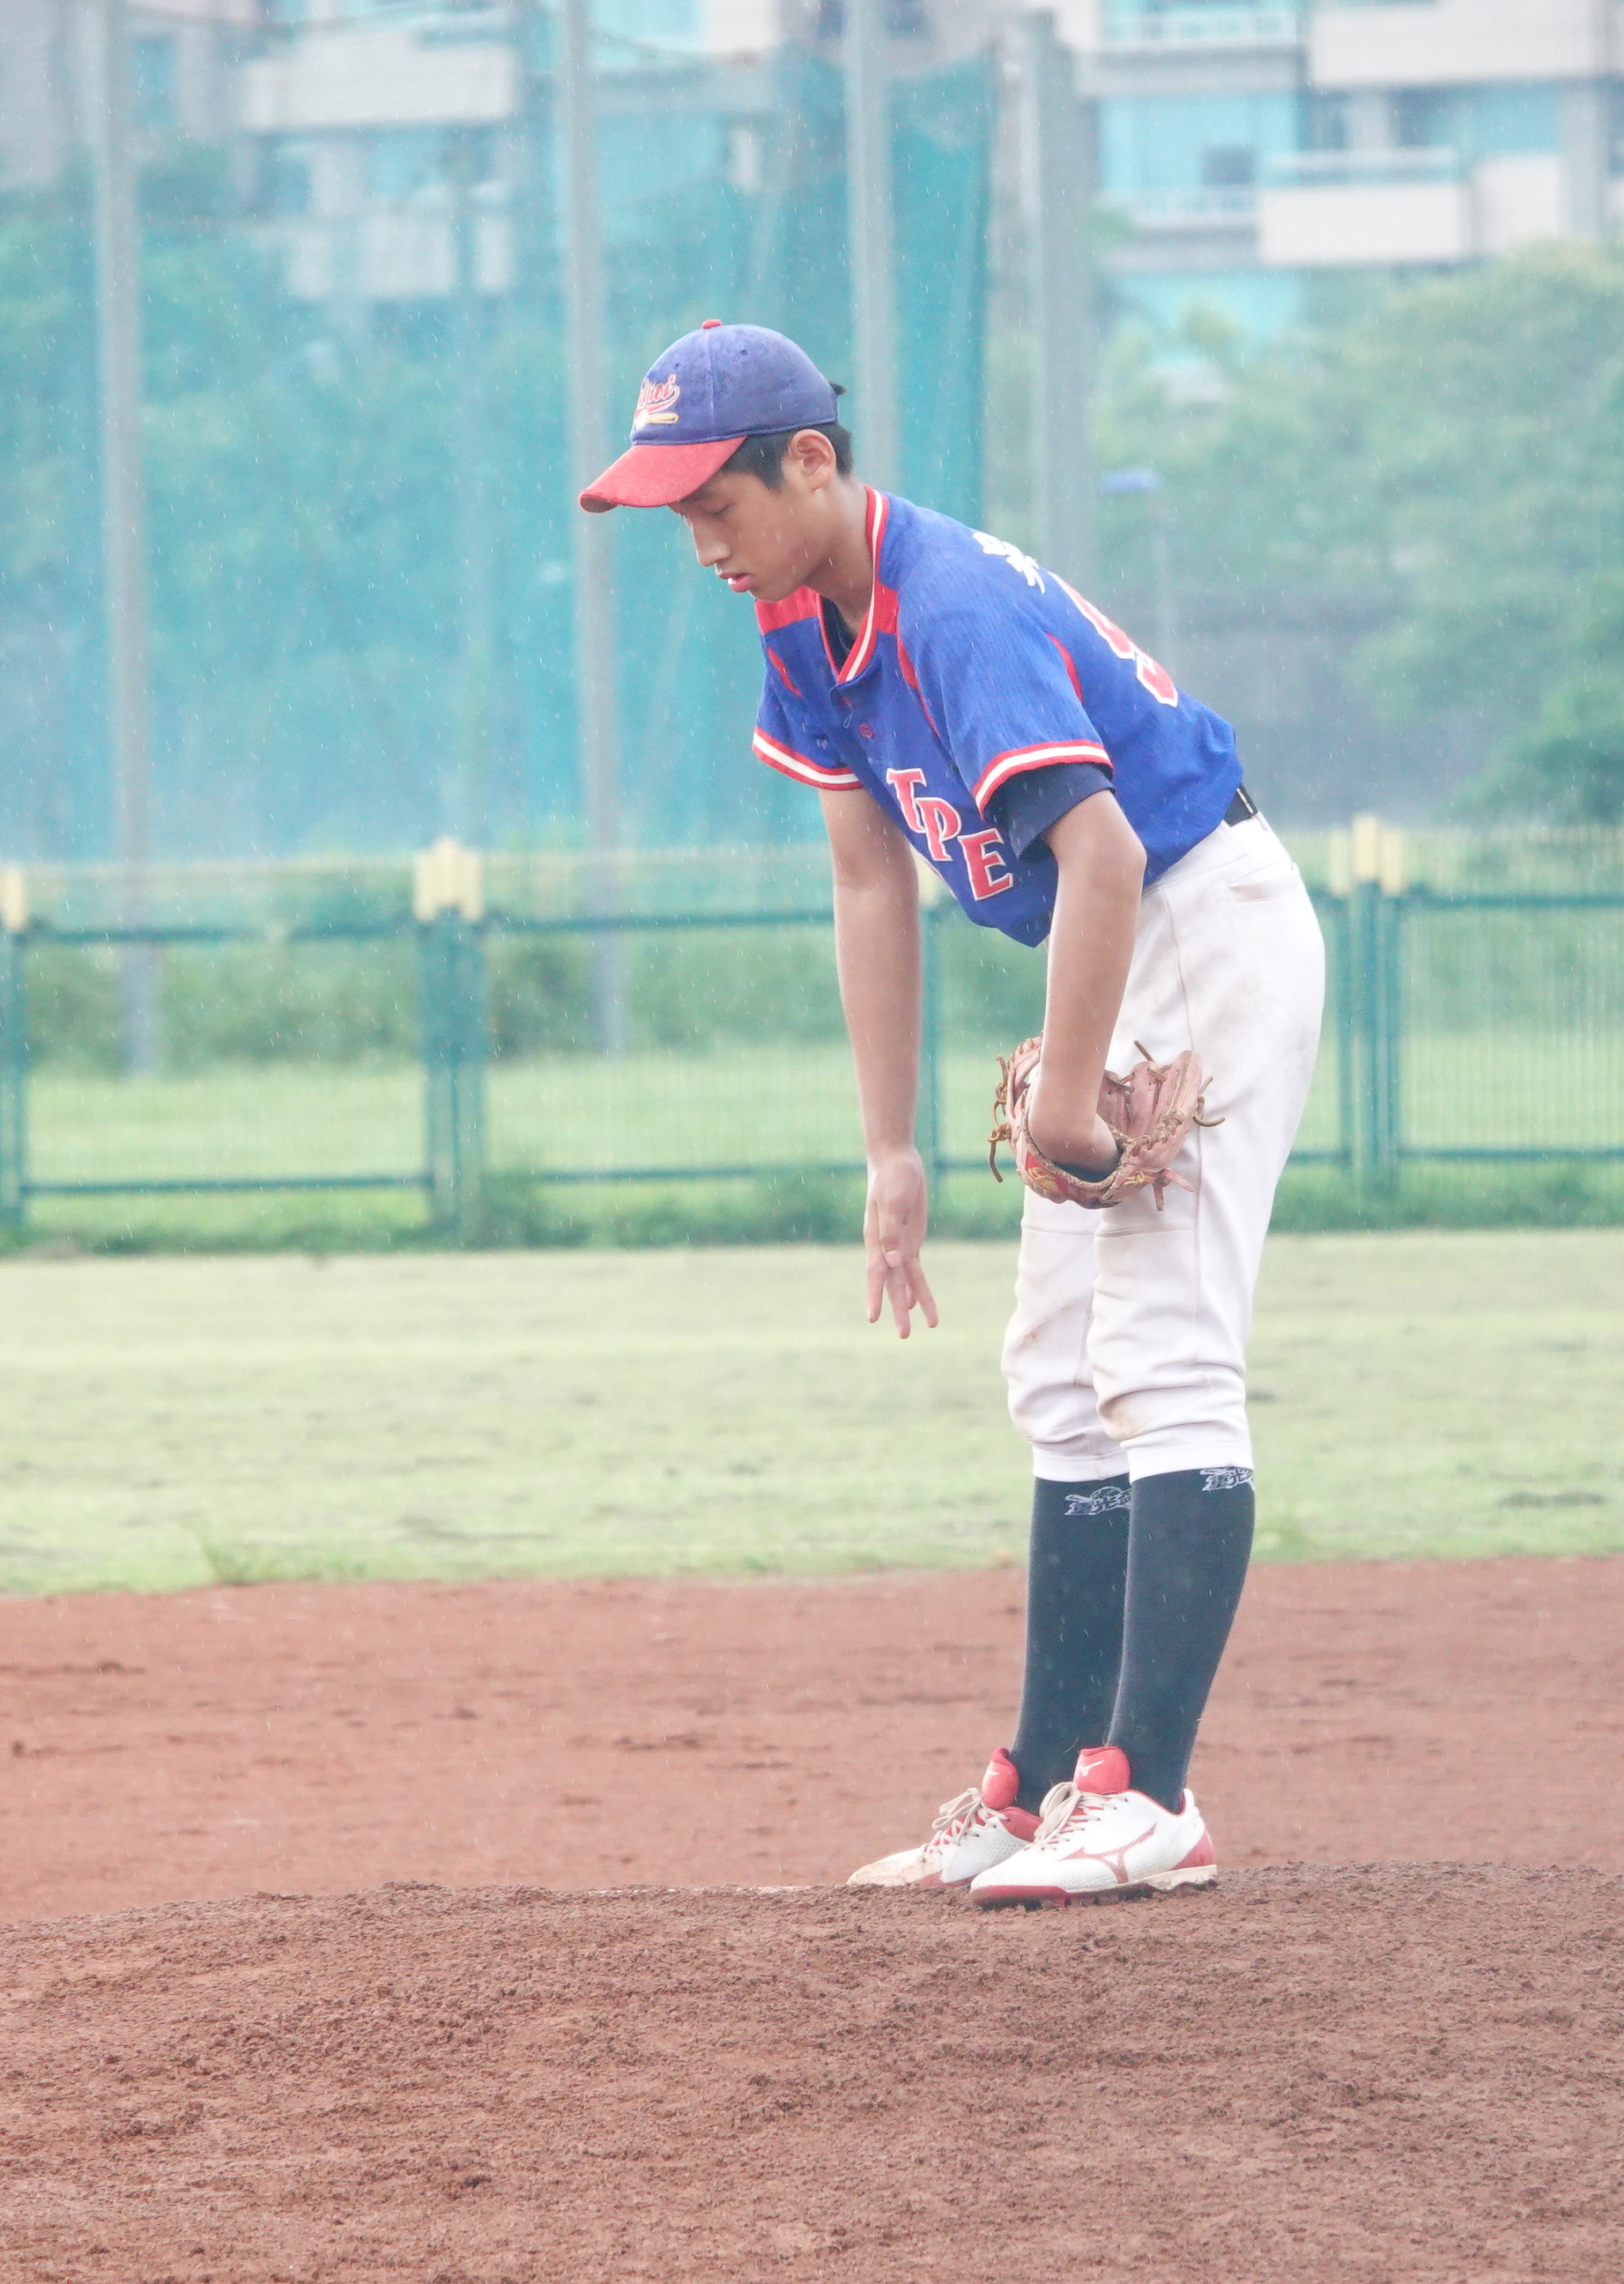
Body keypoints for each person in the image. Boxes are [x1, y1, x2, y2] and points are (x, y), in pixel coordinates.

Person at [580, 322, 1326, 1906]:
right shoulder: (801, 614)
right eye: (678, 516)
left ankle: (1152, 1795)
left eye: (713, 503)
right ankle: (1049, 1786)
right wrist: (893, 1150)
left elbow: (1106, 853)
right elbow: (869, 879)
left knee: (1163, 1356)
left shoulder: (954, 610)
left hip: (1201, 915)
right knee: (1056, 1371)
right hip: (1114, 941)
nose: (700, 543)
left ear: (810, 462)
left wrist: (1067, 1107)